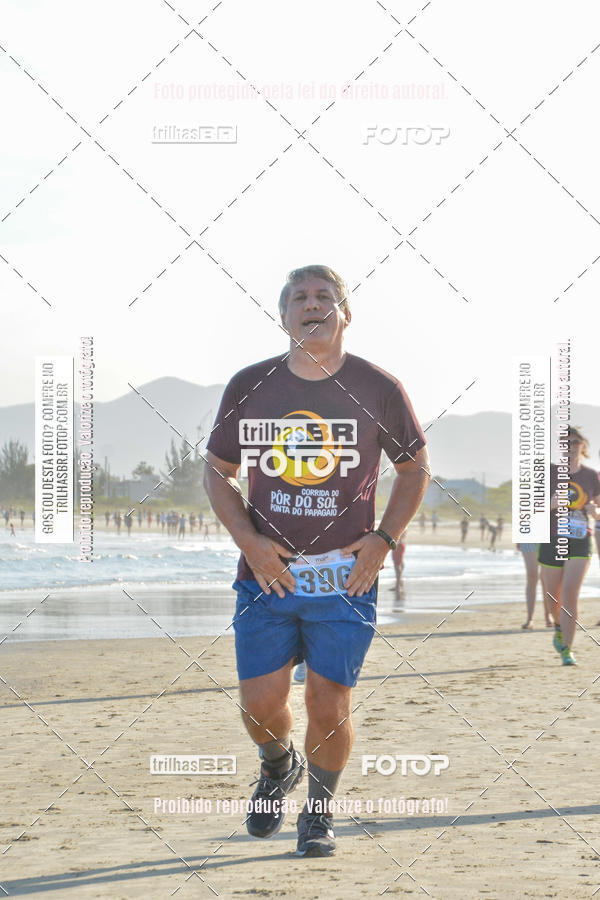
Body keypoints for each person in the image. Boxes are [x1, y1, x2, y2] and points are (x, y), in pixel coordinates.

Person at [204, 265, 429, 857]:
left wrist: (383, 539)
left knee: (328, 702)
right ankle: (277, 764)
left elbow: (414, 471)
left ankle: (319, 812)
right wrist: (249, 541)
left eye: (324, 296)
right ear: (283, 316)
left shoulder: (379, 388)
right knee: (260, 706)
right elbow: (218, 472)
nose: (312, 304)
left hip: (345, 578)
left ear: (345, 313)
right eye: (299, 298)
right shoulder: (251, 384)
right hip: (266, 577)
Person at [538, 427, 600, 665]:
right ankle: (558, 625)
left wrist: (595, 511)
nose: (571, 447)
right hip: (552, 539)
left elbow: (599, 508)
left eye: (575, 443)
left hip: (580, 540)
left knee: (570, 593)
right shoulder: (549, 473)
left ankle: (567, 649)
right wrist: (551, 504)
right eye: (566, 443)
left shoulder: (592, 476)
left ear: (582, 446)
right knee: (553, 599)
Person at [516, 543, 547, 629]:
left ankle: (548, 615)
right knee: (531, 576)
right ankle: (530, 618)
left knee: (546, 577)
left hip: (549, 536)